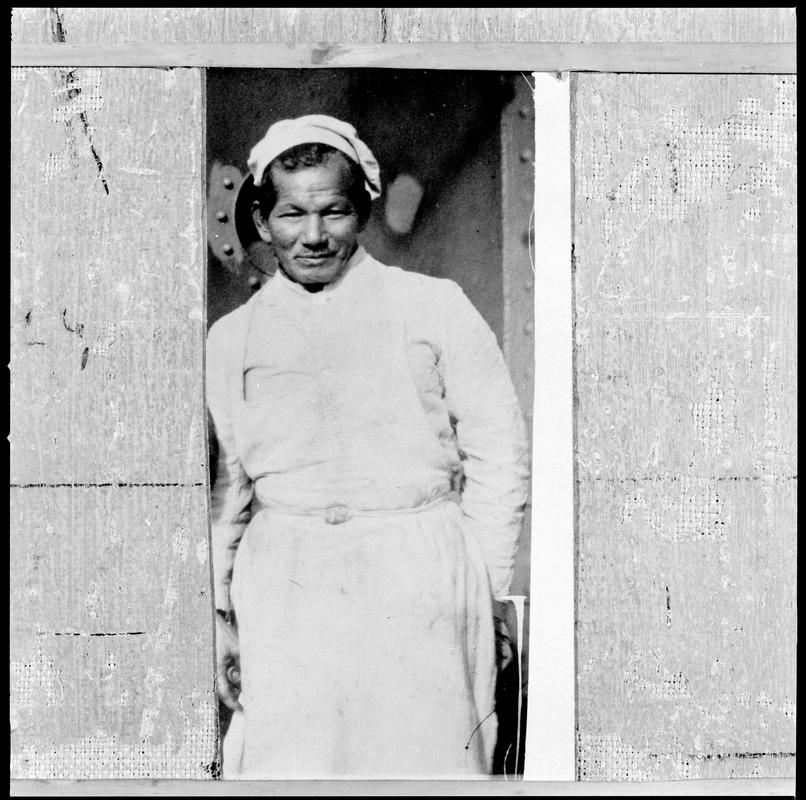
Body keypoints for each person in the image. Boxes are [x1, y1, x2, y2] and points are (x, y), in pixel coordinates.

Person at [206, 114, 530, 779]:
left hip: (421, 577)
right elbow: (230, 493)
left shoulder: (434, 305)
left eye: (334, 211)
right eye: (293, 215)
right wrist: (218, 618)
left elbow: (501, 454)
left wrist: (485, 589)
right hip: (288, 588)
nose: (315, 235)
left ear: (363, 212)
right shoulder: (231, 338)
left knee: (430, 766)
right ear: (263, 223)